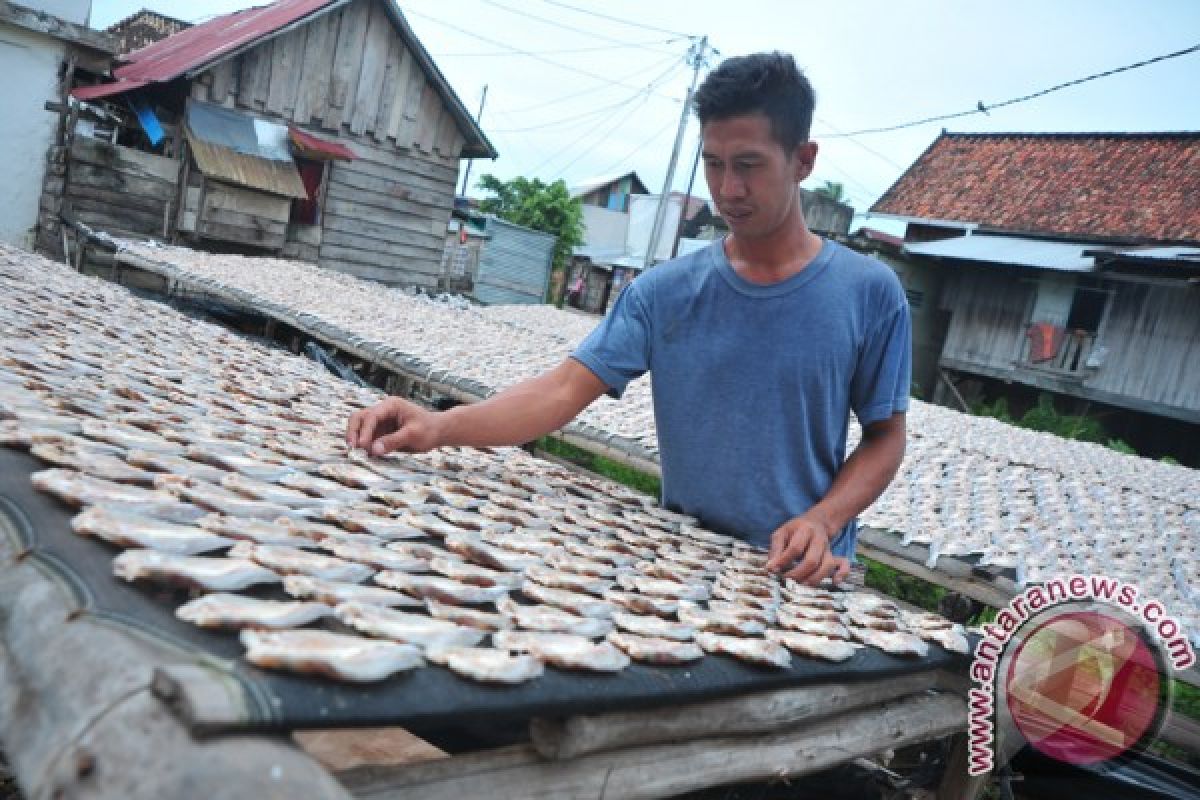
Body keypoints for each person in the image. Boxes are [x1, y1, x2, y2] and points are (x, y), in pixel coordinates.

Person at [347, 52, 910, 586]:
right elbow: (562, 391)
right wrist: (439, 426)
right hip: (688, 561)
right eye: (713, 164)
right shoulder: (664, 293)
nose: (728, 189)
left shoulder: (868, 292)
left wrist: (823, 521)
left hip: (808, 574)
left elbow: (885, 437)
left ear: (803, 160)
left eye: (749, 165)